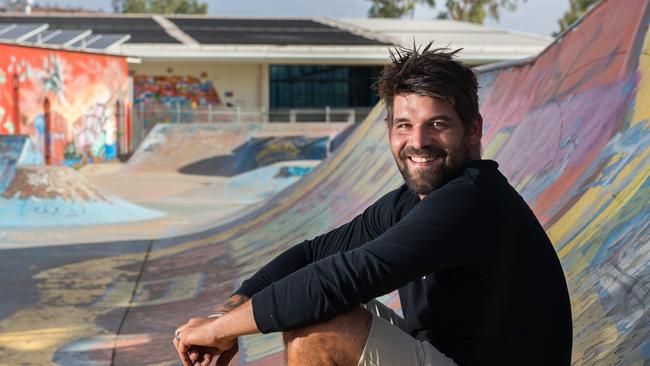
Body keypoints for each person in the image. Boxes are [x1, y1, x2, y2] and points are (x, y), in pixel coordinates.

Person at [173, 43, 573, 366]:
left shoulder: (472, 200)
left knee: (321, 329)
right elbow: (314, 254)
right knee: (307, 307)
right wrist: (226, 312)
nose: (418, 141)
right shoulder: (411, 201)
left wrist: (220, 332)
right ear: (389, 132)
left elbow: (346, 276)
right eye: (404, 125)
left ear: (473, 131)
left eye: (438, 123)